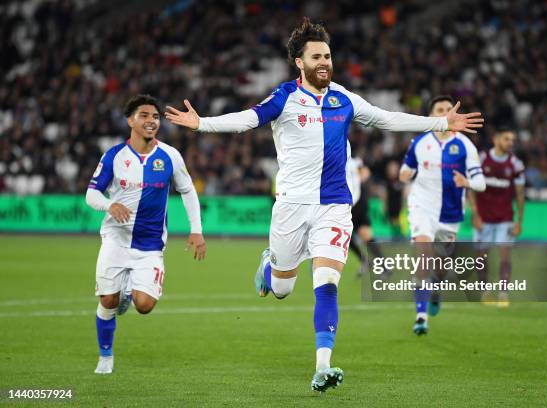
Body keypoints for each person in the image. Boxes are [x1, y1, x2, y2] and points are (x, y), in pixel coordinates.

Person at [165, 19, 483, 391]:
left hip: (334, 207)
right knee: (282, 289)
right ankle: (269, 266)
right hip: (291, 207)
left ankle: (322, 366)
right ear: (299, 62)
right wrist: (202, 123)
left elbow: (388, 119)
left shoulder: (344, 99)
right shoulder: (284, 97)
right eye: (316, 56)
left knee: (327, 281)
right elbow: (246, 120)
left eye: (328, 56)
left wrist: (441, 122)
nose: (324, 62)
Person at [86, 95, 206, 374]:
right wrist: (109, 204)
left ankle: (129, 292)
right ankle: (105, 356)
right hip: (116, 238)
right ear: (130, 121)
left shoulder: (170, 156)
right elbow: (91, 194)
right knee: (107, 301)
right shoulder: (114, 156)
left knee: (145, 305)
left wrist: (196, 231)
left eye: (155, 116)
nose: (151, 121)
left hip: (150, 245)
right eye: (144, 115)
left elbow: (188, 191)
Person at [399, 95, 486, 336]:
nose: (447, 112)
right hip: (421, 208)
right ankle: (421, 316)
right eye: (441, 109)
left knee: (440, 267)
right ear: (432, 116)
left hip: (450, 214)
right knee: (423, 256)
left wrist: (467, 181)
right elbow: (405, 172)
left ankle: (436, 288)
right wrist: (405, 174)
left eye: (450, 108)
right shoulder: (420, 142)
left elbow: (480, 183)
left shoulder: (466, 145)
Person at [468, 128, 525, 307]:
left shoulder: (516, 165)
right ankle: (485, 292)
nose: (510, 143)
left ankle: (503, 293)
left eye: (512, 140)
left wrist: (519, 221)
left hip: (505, 218)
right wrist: (475, 214)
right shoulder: (482, 159)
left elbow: (520, 195)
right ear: (496, 139)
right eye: (507, 138)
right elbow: (471, 188)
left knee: (505, 255)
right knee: (481, 256)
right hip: (483, 218)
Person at [346, 157, 385, 276]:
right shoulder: (336, 160)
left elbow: (366, 172)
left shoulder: (354, 162)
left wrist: (357, 179)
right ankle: (364, 260)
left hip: (359, 206)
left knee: (367, 237)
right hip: (346, 206)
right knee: (346, 238)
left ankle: (383, 266)